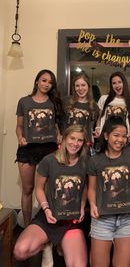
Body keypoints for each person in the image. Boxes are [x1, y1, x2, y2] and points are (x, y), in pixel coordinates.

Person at [14, 125, 88, 267]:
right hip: (48, 217)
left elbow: (84, 187)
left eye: (80, 140)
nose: (75, 143)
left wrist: (83, 206)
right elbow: (39, 188)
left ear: (83, 143)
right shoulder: (49, 160)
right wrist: (46, 208)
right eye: (72, 138)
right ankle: (46, 244)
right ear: (64, 138)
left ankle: (60, 242)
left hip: (70, 221)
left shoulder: (85, 162)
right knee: (20, 251)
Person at [88, 116, 130, 267]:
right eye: (116, 135)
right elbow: (92, 188)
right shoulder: (95, 160)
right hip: (102, 219)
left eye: (124, 136)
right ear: (106, 135)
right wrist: (92, 204)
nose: (120, 139)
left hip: (127, 218)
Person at [15, 69, 64, 227]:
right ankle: (28, 227)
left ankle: (47, 226)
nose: (47, 84)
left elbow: (56, 126)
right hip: (27, 149)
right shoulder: (24, 101)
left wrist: (59, 135)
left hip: (49, 149)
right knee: (27, 189)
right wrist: (20, 137)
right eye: (44, 80)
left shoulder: (54, 103)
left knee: (48, 189)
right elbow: (19, 126)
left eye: (50, 82)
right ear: (37, 81)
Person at [63, 71, 99, 152]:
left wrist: (97, 127)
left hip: (85, 145)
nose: (80, 88)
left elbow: (94, 123)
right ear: (74, 87)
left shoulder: (94, 106)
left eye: (83, 85)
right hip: (67, 143)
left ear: (88, 86)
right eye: (77, 86)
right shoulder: (66, 101)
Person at [95, 71, 130, 137]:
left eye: (119, 82)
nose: (117, 85)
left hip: (123, 138)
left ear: (124, 83)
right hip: (105, 137)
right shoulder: (103, 99)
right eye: (114, 83)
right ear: (111, 86)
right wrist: (97, 128)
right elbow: (99, 117)